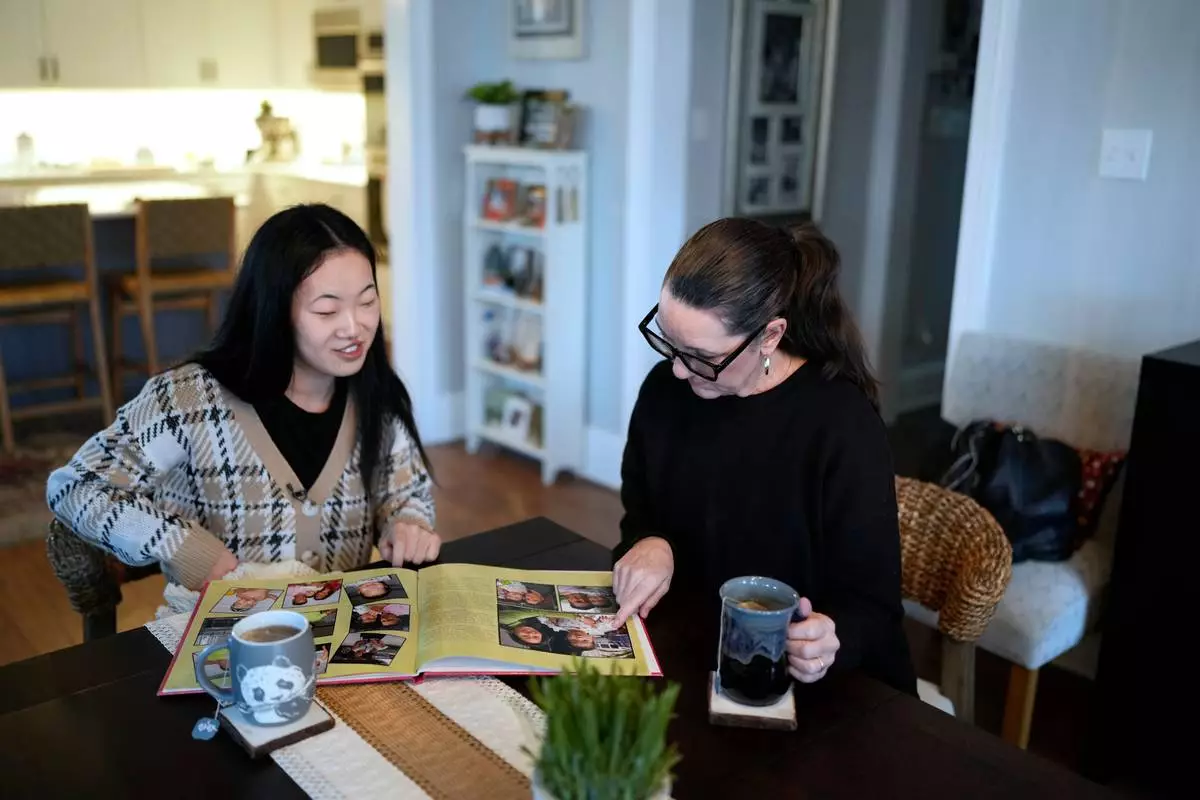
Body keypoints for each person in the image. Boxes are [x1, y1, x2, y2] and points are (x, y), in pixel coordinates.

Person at [46, 204, 441, 605]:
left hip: (347, 630)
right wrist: (182, 546)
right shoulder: (189, 400)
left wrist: (406, 523)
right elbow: (76, 487)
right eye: (327, 310)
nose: (354, 328)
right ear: (274, 310)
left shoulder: (376, 394)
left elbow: (406, 494)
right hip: (220, 635)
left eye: (367, 302)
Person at [612, 218, 917, 695]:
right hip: (699, 657)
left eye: (701, 356)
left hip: (822, 687)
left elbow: (872, 607)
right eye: (668, 342)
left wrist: (830, 637)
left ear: (770, 336)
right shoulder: (663, 395)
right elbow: (642, 513)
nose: (677, 371)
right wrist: (651, 541)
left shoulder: (840, 426)